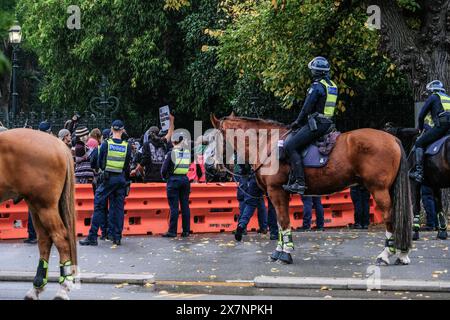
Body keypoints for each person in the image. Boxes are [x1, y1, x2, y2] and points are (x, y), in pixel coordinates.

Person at [283, 56, 338, 194]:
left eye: (312, 70)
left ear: (316, 72)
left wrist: (297, 122)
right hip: (328, 123)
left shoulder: (317, 86)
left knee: (290, 146)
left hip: (318, 124)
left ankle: (299, 183)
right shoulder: (332, 85)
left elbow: (307, 108)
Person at [79, 120, 131, 246]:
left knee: (99, 204)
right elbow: (127, 164)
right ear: (123, 130)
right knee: (118, 208)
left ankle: (92, 236)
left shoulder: (106, 144)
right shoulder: (127, 145)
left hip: (107, 178)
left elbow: (99, 163)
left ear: (112, 129)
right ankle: (117, 237)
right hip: (121, 179)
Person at [410, 80, 450, 183]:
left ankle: (419, 172)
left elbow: (421, 115)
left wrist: (420, 128)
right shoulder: (448, 98)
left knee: (419, 143)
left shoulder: (433, 97)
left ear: (433, 90)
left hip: (442, 126)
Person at [25, 121, 53, 244]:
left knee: (33, 209)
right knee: (48, 208)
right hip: (47, 181)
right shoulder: (51, 144)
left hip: (33, 181)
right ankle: (49, 233)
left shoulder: (32, 143)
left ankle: (32, 235)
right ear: (48, 131)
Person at [161, 131, 191, 238]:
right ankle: (186, 230)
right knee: (185, 206)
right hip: (185, 180)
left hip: (173, 180)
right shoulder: (187, 153)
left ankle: (172, 231)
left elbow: (164, 169)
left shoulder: (171, 153)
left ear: (173, 141)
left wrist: (166, 178)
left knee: (174, 207)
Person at [234, 173, 278, 241]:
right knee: (271, 204)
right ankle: (273, 233)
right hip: (270, 176)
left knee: (250, 204)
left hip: (255, 177)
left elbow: (243, 166)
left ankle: (242, 224)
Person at [134, 114, 175, 182]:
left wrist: (137, 171)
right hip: (162, 177)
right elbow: (170, 133)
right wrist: (172, 121)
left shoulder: (146, 145)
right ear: (158, 133)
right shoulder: (163, 142)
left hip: (149, 177)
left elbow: (144, 161)